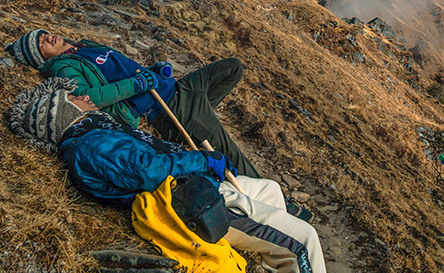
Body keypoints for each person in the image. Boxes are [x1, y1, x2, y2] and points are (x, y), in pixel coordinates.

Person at [9, 77, 326, 273]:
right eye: (77, 98)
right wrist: (203, 161)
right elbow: (152, 172)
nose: (87, 98)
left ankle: (272, 255)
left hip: (194, 184)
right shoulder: (92, 145)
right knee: (303, 241)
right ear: (65, 112)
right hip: (190, 199)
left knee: (269, 189)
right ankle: (287, 254)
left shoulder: (96, 133)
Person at [5, 29, 259, 178]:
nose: (48, 38)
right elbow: (89, 98)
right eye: (41, 44)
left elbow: (122, 70)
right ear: (40, 58)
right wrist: (139, 86)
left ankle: (199, 119)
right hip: (165, 106)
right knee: (231, 151)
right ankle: (278, 198)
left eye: (43, 34)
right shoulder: (62, 67)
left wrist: (153, 71)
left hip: (176, 89)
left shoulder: (82, 46)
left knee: (232, 68)